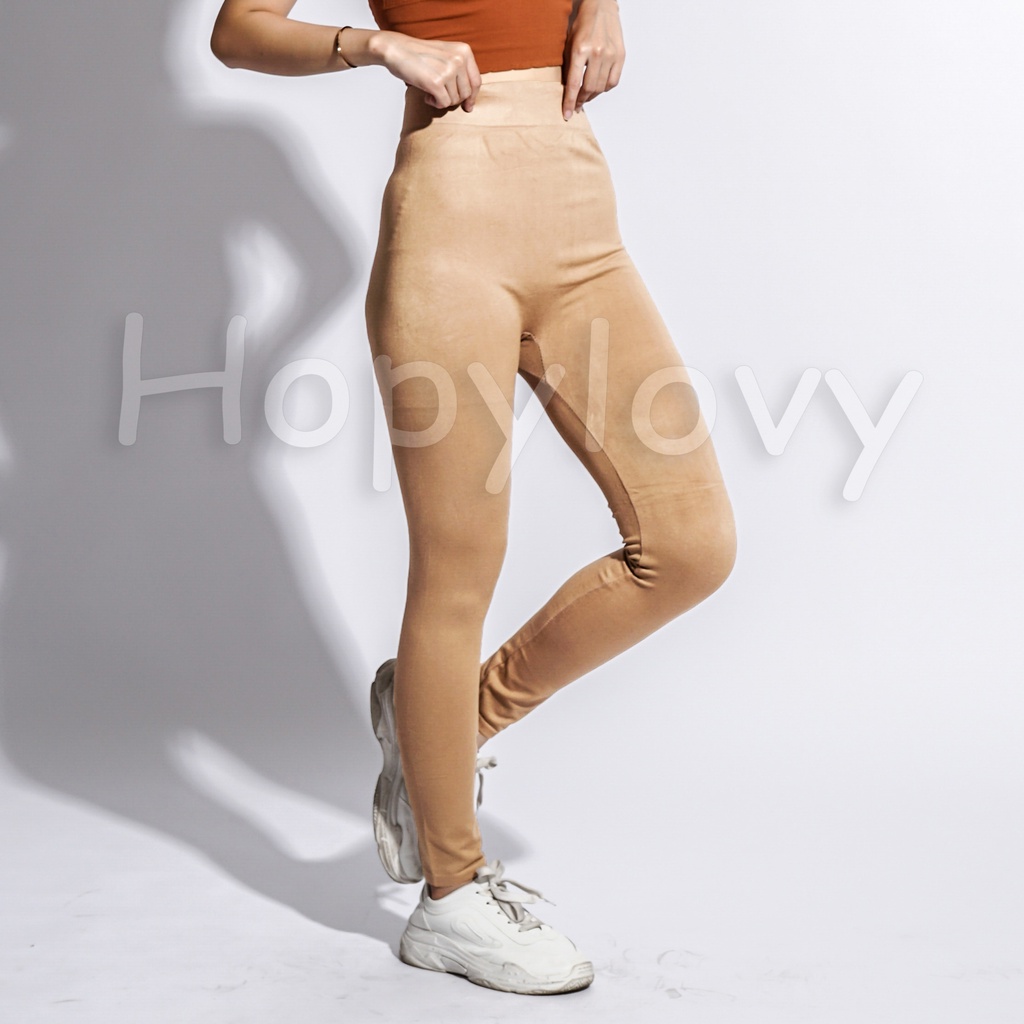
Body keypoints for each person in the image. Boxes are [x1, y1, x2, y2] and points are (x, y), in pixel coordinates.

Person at [211, 0, 737, 996]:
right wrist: (378, 46)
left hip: (579, 210)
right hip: (450, 227)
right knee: (459, 571)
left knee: (691, 543)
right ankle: (449, 897)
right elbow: (238, 30)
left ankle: (442, 730)